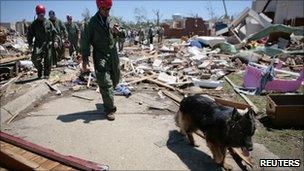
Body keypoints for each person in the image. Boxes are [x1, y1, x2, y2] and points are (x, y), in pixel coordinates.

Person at [81, 0, 120, 121]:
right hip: (100, 55)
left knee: (115, 78)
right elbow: (85, 42)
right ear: (99, 7)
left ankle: (108, 96)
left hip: (113, 54)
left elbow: (122, 32)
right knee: (105, 82)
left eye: (109, 9)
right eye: (105, 9)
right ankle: (109, 109)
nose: (108, 11)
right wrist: (85, 59)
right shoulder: (90, 23)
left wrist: (119, 31)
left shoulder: (113, 19)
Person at [27, 5, 58, 79]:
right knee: (34, 58)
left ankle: (46, 74)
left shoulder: (48, 23)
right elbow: (30, 35)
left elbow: (54, 33)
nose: (41, 16)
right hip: (38, 44)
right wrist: (30, 44)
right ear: (37, 14)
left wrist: (55, 41)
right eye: (40, 15)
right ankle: (39, 69)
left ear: (44, 14)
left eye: (42, 15)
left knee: (48, 59)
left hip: (48, 43)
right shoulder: (34, 24)